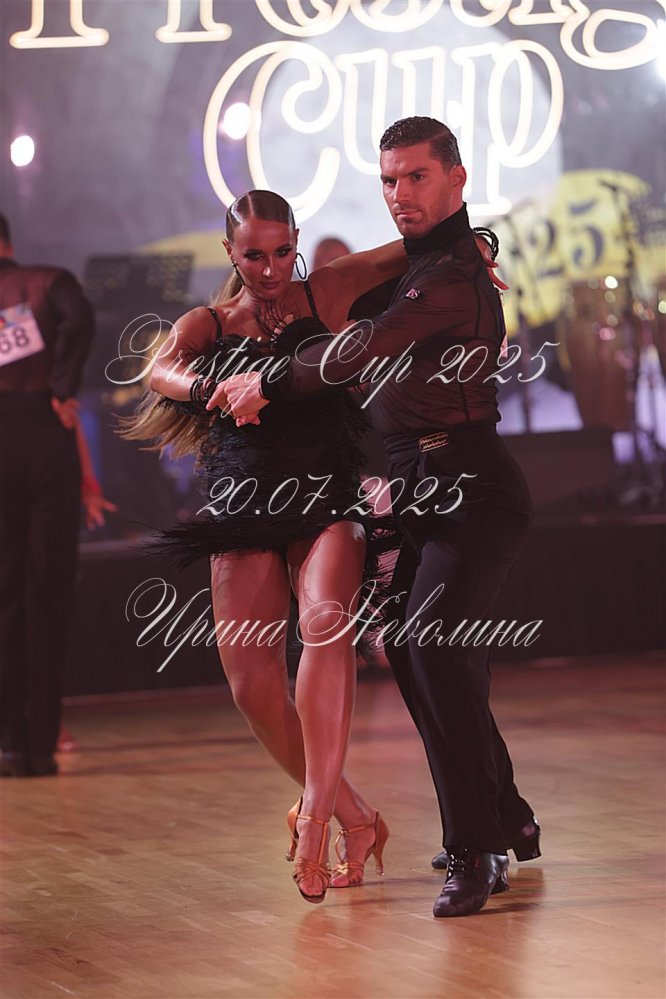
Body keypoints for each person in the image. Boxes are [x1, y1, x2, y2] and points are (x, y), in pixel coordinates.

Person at [122, 189, 502, 904]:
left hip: (327, 497)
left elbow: (417, 247)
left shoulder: (327, 288)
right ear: (230, 252)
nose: (271, 269)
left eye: (282, 251)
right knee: (252, 685)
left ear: (297, 241)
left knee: (325, 625)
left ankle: (316, 821)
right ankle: (356, 815)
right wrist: (207, 385)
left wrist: (476, 243)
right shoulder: (208, 323)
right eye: (253, 256)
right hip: (243, 503)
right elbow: (160, 370)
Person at [221, 118, 540, 918]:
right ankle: (506, 816)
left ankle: (475, 846)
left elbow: (364, 344)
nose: (400, 193)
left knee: (431, 644)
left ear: (456, 178)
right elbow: (364, 287)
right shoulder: (432, 261)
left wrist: (268, 381)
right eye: (389, 179)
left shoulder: (449, 277)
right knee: (415, 648)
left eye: (417, 177)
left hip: (471, 487)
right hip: (421, 485)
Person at [0, 213, 95, 777]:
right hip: (44, 432)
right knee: (48, 588)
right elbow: (79, 318)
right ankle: (38, 747)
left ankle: (7, 744)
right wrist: (62, 386)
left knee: (4, 593)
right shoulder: (46, 280)